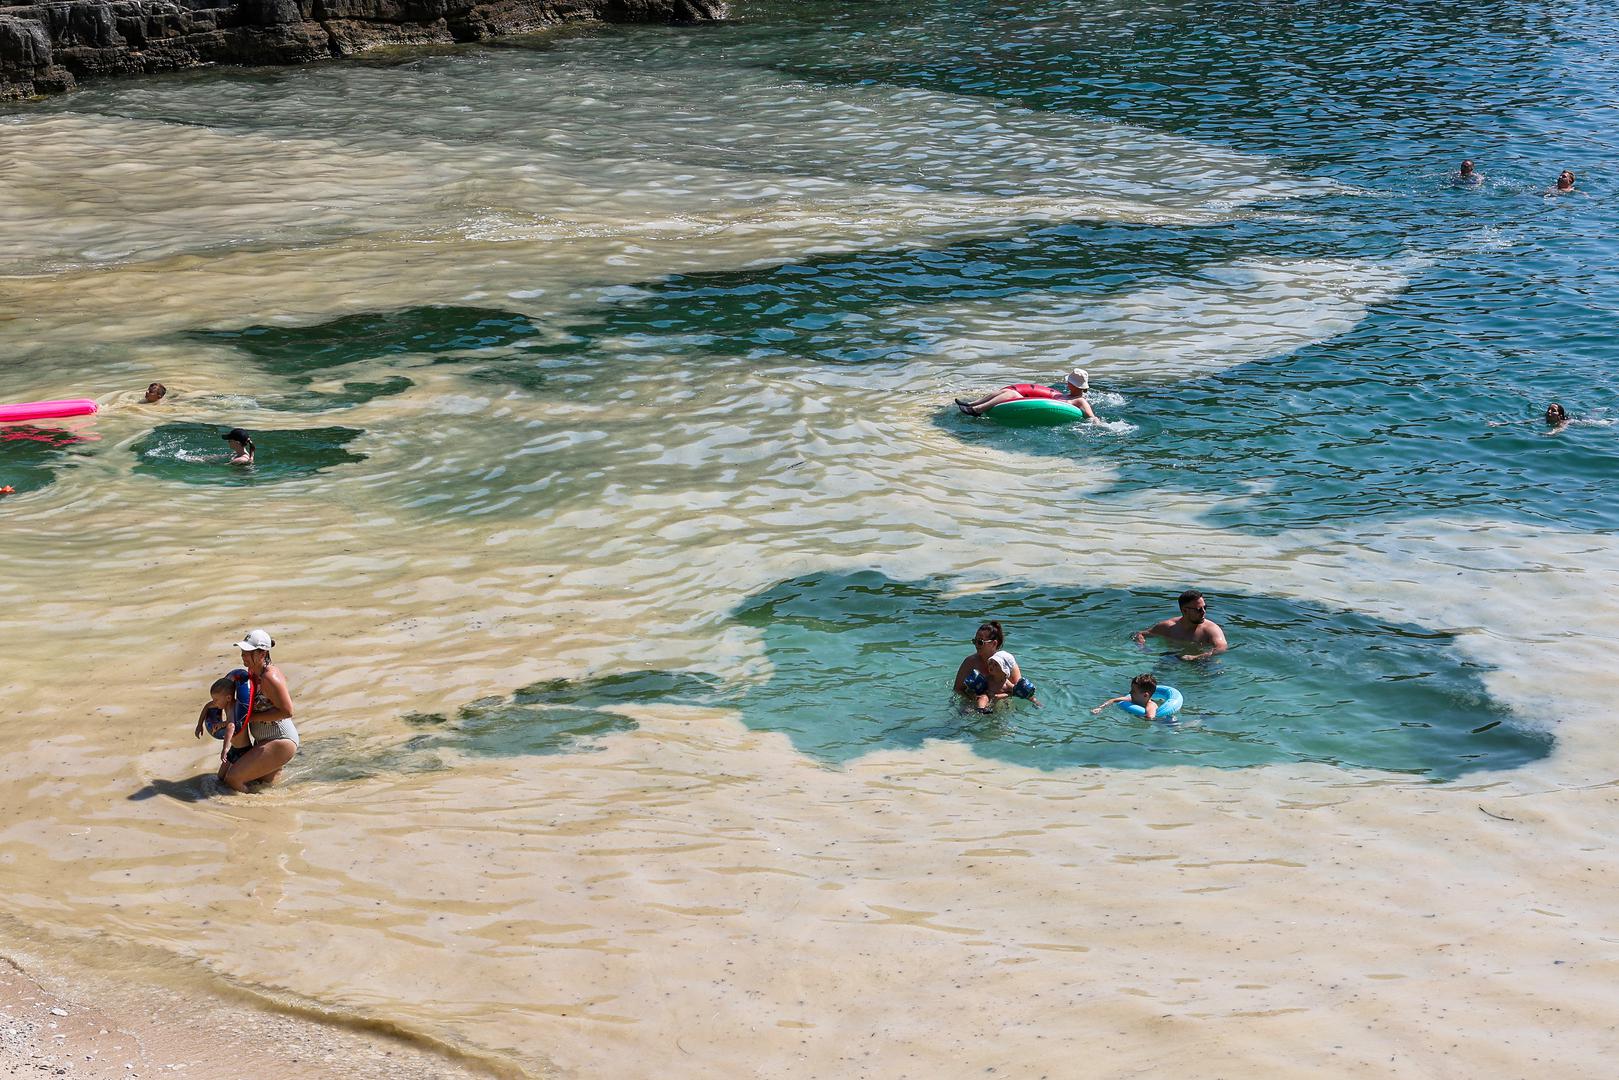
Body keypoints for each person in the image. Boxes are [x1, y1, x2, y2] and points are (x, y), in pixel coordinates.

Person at [220, 629, 298, 793]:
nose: (243, 656)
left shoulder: (270, 677)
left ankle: (252, 811)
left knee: (233, 779)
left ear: (262, 654)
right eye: (242, 651)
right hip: (263, 739)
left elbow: (288, 711)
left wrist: (250, 717)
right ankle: (269, 812)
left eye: (248, 652)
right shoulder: (253, 672)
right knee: (264, 787)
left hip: (279, 739)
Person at [953, 620, 1040, 714]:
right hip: (975, 701)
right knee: (964, 714)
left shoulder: (1007, 663)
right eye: (975, 641)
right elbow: (957, 689)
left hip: (1001, 704)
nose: (976, 645)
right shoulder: (970, 662)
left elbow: (1019, 691)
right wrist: (973, 699)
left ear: (994, 643)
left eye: (980, 642)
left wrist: (997, 697)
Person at [956, 368, 1098, 420]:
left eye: (1069, 382)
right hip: (1038, 405)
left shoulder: (1080, 401)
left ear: (1072, 384)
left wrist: (1099, 424)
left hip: (1053, 411)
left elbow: (1092, 417)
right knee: (1008, 391)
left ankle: (977, 410)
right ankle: (972, 404)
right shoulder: (1066, 394)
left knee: (1011, 394)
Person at [1133, 589, 1229, 661]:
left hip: (1202, 661)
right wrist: (1144, 648)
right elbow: (1140, 634)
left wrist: (1195, 657)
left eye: (1205, 607)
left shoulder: (1210, 629)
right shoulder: (1168, 627)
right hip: (1173, 657)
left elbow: (1221, 648)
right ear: (1185, 610)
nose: (1203, 612)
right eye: (1199, 609)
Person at [194, 673, 253, 776]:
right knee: (220, 777)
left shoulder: (232, 708)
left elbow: (231, 726)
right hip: (234, 748)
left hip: (243, 750)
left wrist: (225, 748)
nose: (214, 702)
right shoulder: (224, 703)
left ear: (228, 698)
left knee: (235, 779)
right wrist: (199, 725)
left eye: (216, 700)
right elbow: (207, 706)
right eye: (213, 699)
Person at [1092, 673, 1161, 720]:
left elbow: (1150, 718)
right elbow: (1113, 700)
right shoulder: (1132, 699)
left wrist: (1138, 716)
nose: (1130, 692)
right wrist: (1100, 708)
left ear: (1145, 695)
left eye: (1133, 691)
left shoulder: (1150, 706)